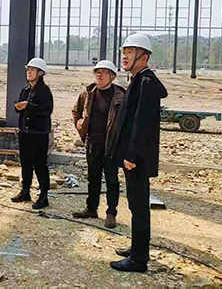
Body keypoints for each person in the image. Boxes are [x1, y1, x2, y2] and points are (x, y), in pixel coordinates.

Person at [108, 34, 167, 273]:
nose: (125, 56)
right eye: (124, 52)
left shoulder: (146, 83)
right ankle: (137, 248)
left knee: (140, 207)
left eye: (130, 52)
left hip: (137, 159)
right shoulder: (138, 80)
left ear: (144, 56)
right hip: (133, 157)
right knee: (135, 205)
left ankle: (139, 259)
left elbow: (142, 124)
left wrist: (131, 156)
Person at [71, 60, 125, 228]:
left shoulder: (120, 96)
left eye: (103, 72)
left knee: (111, 180)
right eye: (97, 72)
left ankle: (111, 213)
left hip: (111, 146)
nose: (99, 75)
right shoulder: (88, 93)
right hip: (92, 143)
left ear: (112, 76)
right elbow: (76, 111)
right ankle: (91, 208)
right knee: (93, 178)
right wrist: (79, 124)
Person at [11, 58, 54, 210]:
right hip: (25, 132)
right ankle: (25, 191)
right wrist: (18, 107)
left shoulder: (45, 92)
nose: (29, 72)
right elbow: (19, 107)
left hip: (38, 133)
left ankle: (43, 196)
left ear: (40, 73)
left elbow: (47, 110)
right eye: (28, 70)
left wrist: (29, 106)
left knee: (40, 165)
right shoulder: (25, 90)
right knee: (26, 163)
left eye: (32, 70)